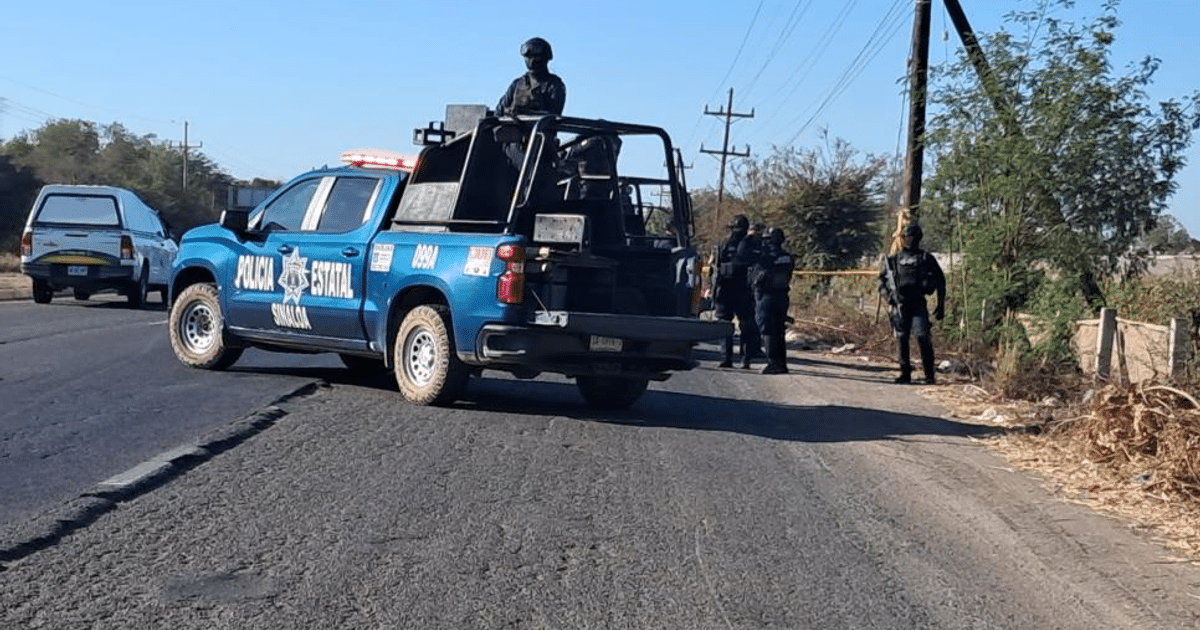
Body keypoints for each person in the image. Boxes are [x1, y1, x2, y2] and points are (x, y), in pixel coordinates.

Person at [879, 223, 946, 384]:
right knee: (902, 339)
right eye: (909, 237)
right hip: (899, 304)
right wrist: (889, 298)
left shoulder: (926, 258)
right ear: (904, 238)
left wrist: (941, 305)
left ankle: (929, 375)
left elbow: (940, 281)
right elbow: (881, 282)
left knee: (923, 336)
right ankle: (905, 373)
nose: (912, 240)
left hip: (918, 304)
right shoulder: (894, 260)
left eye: (915, 237)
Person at [712, 214, 761, 368]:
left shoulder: (724, 243)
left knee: (726, 323)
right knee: (745, 324)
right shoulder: (754, 244)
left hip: (728, 289)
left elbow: (716, 268)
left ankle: (727, 358)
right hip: (743, 290)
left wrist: (714, 290)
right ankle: (745, 359)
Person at [752, 227, 796, 374]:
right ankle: (781, 363)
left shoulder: (765, 258)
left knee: (768, 331)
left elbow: (758, 279)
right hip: (782, 296)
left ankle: (773, 363)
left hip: (767, 297)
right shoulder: (788, 257)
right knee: (779, 330)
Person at [496, 37, 567, 117]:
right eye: (529, 57)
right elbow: (499, 111)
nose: (532, 61)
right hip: (510, 127)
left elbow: (553, 116)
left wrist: (525, 113)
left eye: (536, 57)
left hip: (539, 128)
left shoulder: (554, 85)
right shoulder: (517, 84)